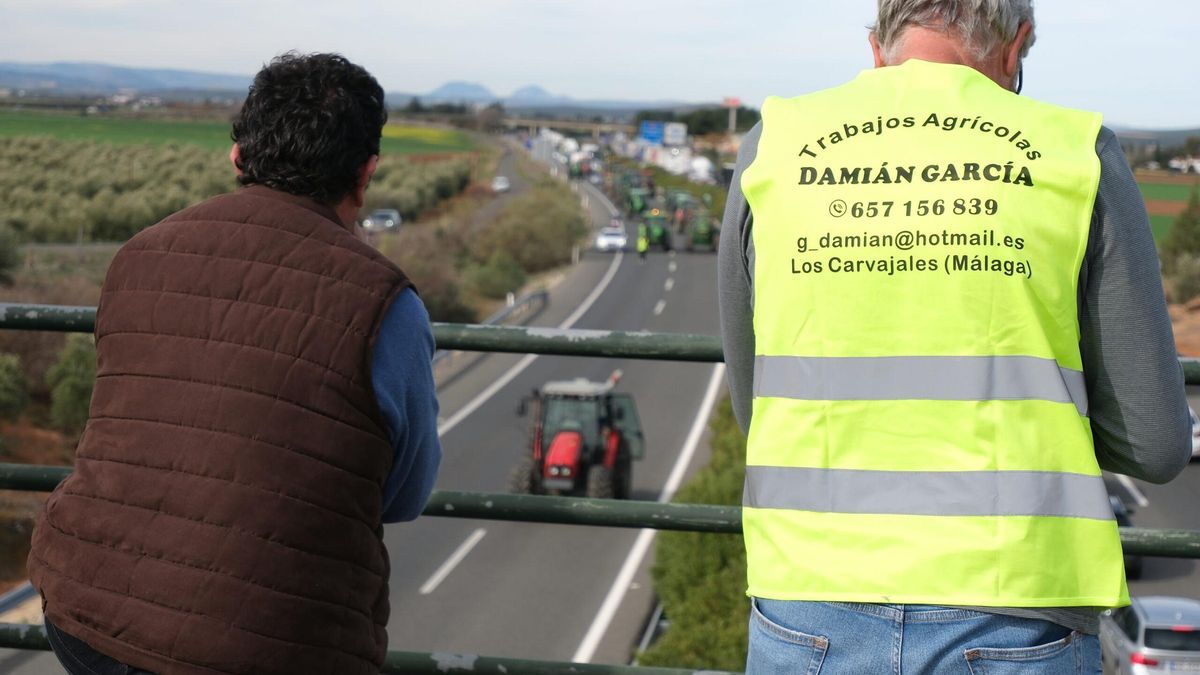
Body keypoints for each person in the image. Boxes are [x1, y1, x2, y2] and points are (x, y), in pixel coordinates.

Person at [716, 1, 1192, 672]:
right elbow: (1157, 441)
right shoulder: (1076, 151)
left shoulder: (773, 146)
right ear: (1014, 48)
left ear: (875, 48)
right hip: (1018, 605)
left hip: (809, 596)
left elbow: (755, 405)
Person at [28, 52, 441, 675]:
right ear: (365, 174)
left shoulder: (138, 256)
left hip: (85, 609)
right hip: (269, 646)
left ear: (239, 158)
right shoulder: (388, 304)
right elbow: (406, 494)